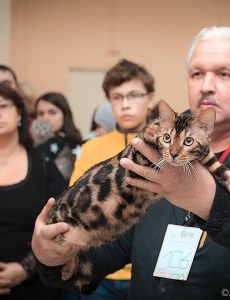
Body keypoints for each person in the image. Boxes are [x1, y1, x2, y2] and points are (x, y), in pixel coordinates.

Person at [31, 27, 230, 299]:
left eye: (224, 74)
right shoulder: (156, 144)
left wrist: (207, 198)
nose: (206, 85)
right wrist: (54, 257)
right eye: (197, 73)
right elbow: (115, 242)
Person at [68, 59, 155, 300]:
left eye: (134, 95)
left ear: (150, 98)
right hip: (100, 269)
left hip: (148, 268)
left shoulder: (166, 149)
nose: (125, 105)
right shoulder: (92, 148)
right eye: (117, 97)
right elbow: (77, 207)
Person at [0, 84, 60, 299]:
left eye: (3, 106)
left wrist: (25, 269)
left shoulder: (43, 163)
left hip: (36, 283)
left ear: (19, 113)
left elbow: (60, 222)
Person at [34, 92, 83, 197]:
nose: (46, 118)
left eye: (52, 112)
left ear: (64, 114)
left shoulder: (77, 144)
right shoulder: (32, 145)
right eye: (40, 113)